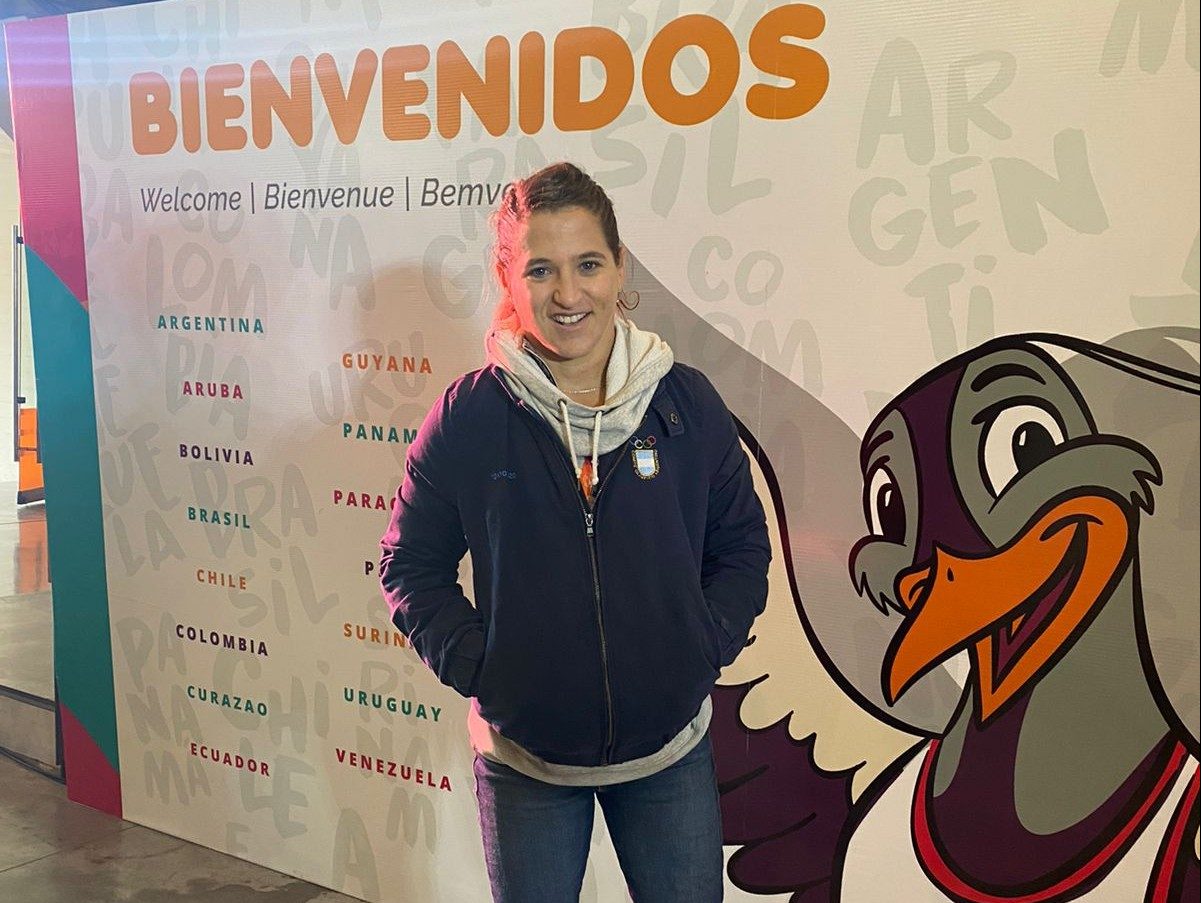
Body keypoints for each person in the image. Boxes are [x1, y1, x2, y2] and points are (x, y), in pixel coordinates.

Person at [379, 162, 770, 903]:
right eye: (541, 269)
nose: (567, 293)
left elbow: (741, 544)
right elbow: (409, 562)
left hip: (667, 755)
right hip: (525, 763)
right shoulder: (469, 417)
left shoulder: (685, 405)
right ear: (507, 278)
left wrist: (702, 644)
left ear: (618, 267)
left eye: (587, 264)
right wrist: (485, 667)